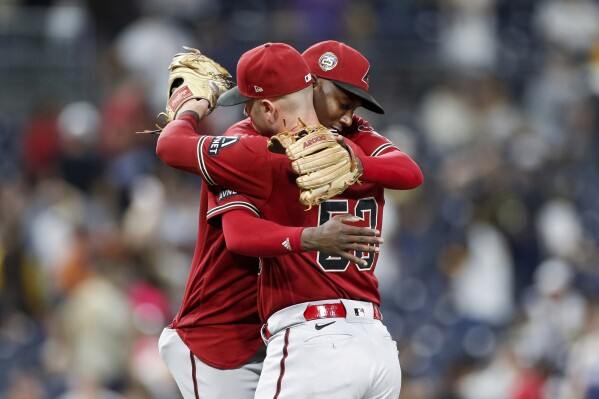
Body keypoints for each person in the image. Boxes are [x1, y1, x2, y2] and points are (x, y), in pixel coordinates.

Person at [156, 42, 423, 398]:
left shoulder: (262, 147)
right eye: (344, 102)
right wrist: (315, 231)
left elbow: (171, 146)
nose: (348, 116)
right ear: (308, 87)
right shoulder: (346, 143)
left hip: (303, 334)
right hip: (224, 331)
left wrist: (191, 107)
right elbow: (238, 235)